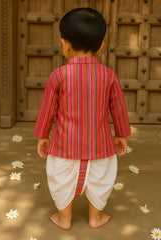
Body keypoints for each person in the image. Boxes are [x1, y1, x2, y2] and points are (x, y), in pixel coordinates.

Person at [34, 8, 131, 230]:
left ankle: (64, 218)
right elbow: (118, 108)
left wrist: (42, 136)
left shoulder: (58, 76)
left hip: (63, 146)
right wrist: (121, 135)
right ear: (101, 46)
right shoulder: (109, 75)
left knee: (60, 180)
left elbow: (47, 110)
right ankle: (95, 217)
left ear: (65, 44)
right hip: (101, 147)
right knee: (101, 180)